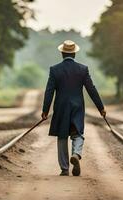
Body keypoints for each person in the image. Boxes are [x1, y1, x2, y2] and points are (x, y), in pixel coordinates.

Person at [41, 40, 106, 176]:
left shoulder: (55, 69)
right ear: (74, 53)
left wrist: (45, 110)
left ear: (62, 53)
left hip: (61, 108)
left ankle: (65, 169)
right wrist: (101, 107)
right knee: (78, 133)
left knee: (62, 136)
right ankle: (76, 154)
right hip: (77, 107)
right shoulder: (83, 69)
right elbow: (91, 89)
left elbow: (49, 91)